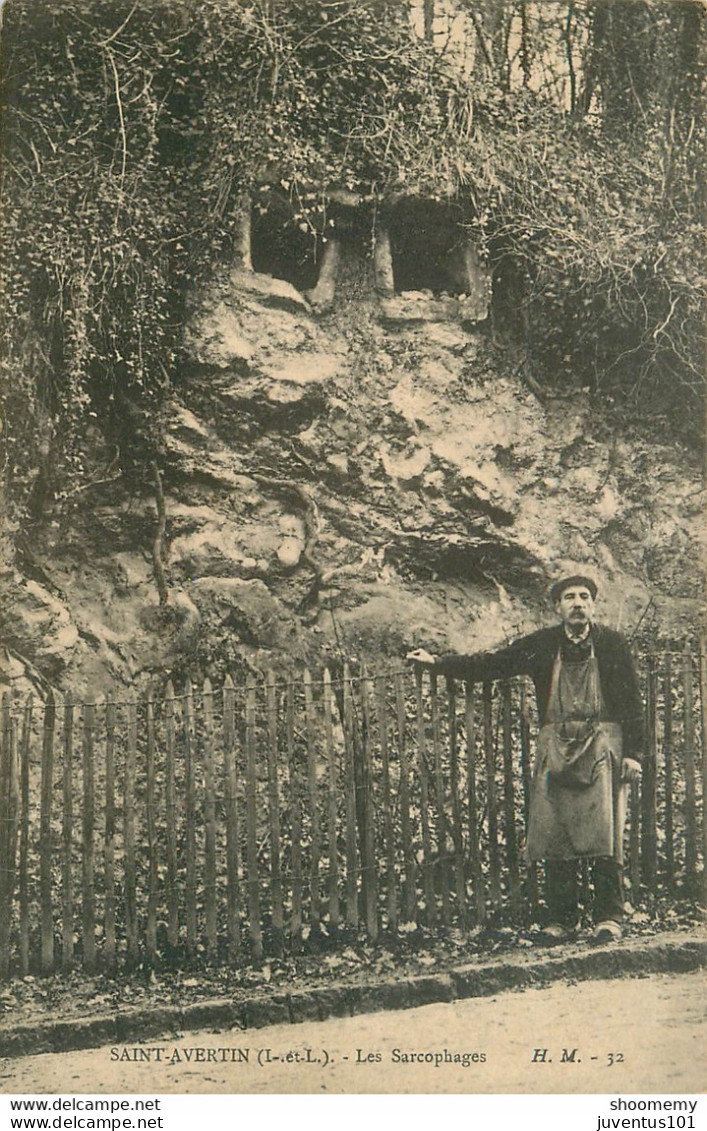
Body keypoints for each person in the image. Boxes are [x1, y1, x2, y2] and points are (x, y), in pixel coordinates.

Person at [407, 573, 645, 945]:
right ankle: (560, 919)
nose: (578, 603)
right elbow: (493, 664)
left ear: (593, 605)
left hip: (603, 746)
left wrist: (634, 754)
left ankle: (608, 917)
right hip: (556, 748)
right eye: (569, 597)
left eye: (584, 596)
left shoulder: (612, 644)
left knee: (606, 833)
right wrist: (438, 661)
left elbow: (632, 701)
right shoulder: (543, 644)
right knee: (556, 833)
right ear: (557, 607)